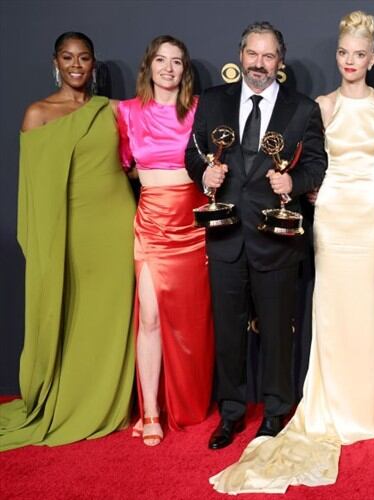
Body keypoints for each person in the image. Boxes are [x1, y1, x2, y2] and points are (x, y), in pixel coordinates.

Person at [208, 12, 374, 493]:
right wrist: (308, 188)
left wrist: (298, 182)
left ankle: (367, 405)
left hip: (368, 215)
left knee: (365, 308)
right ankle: (309, 404)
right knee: (326, 310)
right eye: (344, 53)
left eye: (359, 54)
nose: (351, 61)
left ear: (372, 58)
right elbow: (313, 161)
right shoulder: (318, 104)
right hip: (329, 216)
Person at [185, 21, 327, 451]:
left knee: (278, 334)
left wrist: (295, 184)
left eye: (268, 56)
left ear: (279, 62)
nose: (259, 63)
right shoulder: (211, 102)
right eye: (253, 54)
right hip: (226, 235)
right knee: (228, 333)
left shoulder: (302, 108)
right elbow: (192, 154)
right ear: (240, 55)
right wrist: (203, 173)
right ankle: (230, 413)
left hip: (277, 237)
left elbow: (317, 164)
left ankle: (275, 410)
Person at [0, 32, 135, 451]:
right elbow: (33, 192)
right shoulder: (37, 114)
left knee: (111, 317)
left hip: (115, 228)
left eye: (84, 57)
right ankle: (69, 397)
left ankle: (106, 400)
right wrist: (42, 243)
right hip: (70, 232)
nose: (76, 64)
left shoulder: (111, 110)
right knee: (73, 313)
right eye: (67, 57)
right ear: (55, 62)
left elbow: (141, 156)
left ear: (94, 63)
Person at [116, 35, 213, 446]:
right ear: (148, 65)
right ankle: (151, 410)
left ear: (184, 69)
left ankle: (187, 402)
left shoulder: (198, 111)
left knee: (191, 323)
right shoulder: (126, 112)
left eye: (176, 61)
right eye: (161, 59)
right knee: (151, 316)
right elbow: (125, 167)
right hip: (152, 225)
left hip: (193, 226)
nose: (169, 68)